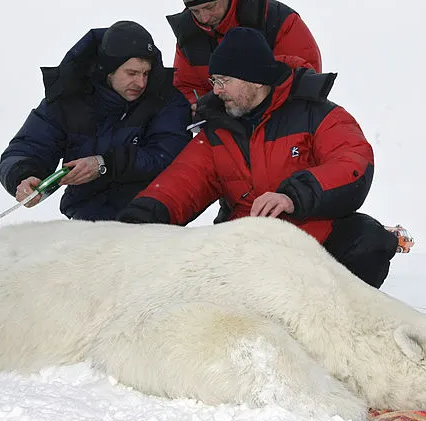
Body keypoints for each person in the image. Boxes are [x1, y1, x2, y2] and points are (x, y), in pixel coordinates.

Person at [118, 27, 399, 288]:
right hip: (247, 252)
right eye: (214, 81)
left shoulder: (317, 114)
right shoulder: (218, 131)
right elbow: (180, 184)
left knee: (369, 238)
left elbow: (353, 162)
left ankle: (336, 330)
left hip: (314, 246)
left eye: (224, 80)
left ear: (254, 79)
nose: (216, 90)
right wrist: (135, 222)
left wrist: (292, 196)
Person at [0, 21, 191, 221]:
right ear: (109, 70)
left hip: (152, 220)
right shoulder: (68, 99)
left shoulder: (167, 100)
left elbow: (167, 155)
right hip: (87, 224)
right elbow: (27, 147)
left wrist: (104, 164)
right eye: (131, 73)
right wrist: (23, 177)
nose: (141, 82)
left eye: (146, 73)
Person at [167, 0, 322, 106]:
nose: (204, 17)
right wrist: (201, 107)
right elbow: (185, 88)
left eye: (210, 7)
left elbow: (303, 78)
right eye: (195, 11)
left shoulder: (277, 19)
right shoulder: (188, 36)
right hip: (222, 128)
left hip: (280, 121)